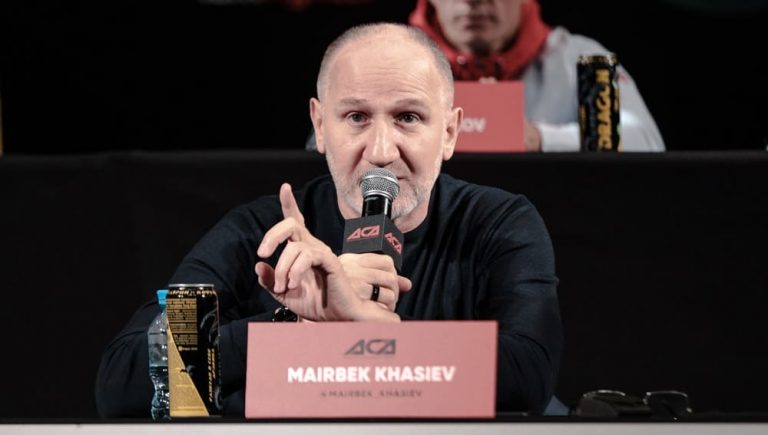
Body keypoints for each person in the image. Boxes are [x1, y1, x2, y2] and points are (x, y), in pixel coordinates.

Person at [95, 22, 563, 417]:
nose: (381, 151)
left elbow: (528, 377)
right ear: (320, 126)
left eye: (408, 117)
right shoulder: (260, 232)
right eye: (357, 117)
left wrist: (368, 328)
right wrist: (297, 325)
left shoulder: (499, 223)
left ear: (449, 132)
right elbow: (122, 382)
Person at [409, 0, 665, 152]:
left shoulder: (579, 57)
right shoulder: (396, 60)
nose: (472, 2)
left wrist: (540, 138)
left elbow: (645, 141)